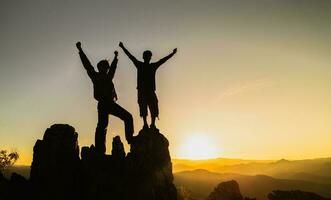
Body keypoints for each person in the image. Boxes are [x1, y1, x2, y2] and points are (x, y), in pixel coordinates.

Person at [76, 42, 134, 154]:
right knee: (102, 126)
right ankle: (100, 150)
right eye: (103, 68)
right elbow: (87, 65)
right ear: (100, 68)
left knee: (127, 117)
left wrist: (116, 58)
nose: (106, 69)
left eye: (106, 68)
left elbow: (113, 69)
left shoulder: (108, 76)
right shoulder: (95, 76)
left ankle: (130, 139)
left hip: (110, 104)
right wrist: (81, 51)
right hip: (103, 104)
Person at [119, 42, 177, 130]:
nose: (147, 58)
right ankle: (145, 124)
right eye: (146, 56)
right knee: (143, 107)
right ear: (143, 57)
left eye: (149, 56)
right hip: (142, 91)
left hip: (150, 91)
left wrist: (172, 54)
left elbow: (163, 60)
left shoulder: (152, 66)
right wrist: (123, 47)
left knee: (154, 106)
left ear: (150, 57)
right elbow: (130, 56)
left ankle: (152, 124)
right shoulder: (140, 65)